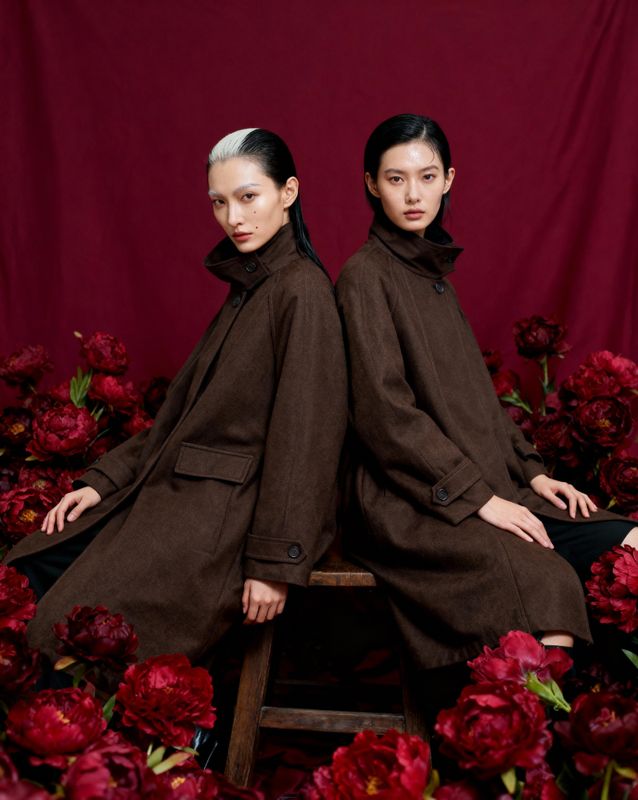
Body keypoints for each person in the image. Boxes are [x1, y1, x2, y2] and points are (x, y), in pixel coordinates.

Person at [7, 128, 347, 666]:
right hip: (168, 498)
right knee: (24, 578)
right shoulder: (251, 289)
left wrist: (275, 563)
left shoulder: (300, 291)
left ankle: (143, 719)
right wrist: (102, 482)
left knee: (66, 633)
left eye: (248, 197)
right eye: (219, 202)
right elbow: (180, 420)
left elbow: (306, 442)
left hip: (217, 524)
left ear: (288, 192)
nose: (233, 217)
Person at [335, 113, 637, 685]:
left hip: (491, 482)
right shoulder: (364, 277)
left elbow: (477, 402)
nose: (413, 194)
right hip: (410, 500)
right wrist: (479, 500)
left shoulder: (434, 278)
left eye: (426, 177)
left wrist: (533, 474)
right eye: (396, 179)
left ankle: (598, 722)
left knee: (630, 546)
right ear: (372, 184)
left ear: (448, 179)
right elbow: (385, 416)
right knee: (546, 583)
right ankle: (535, 739)